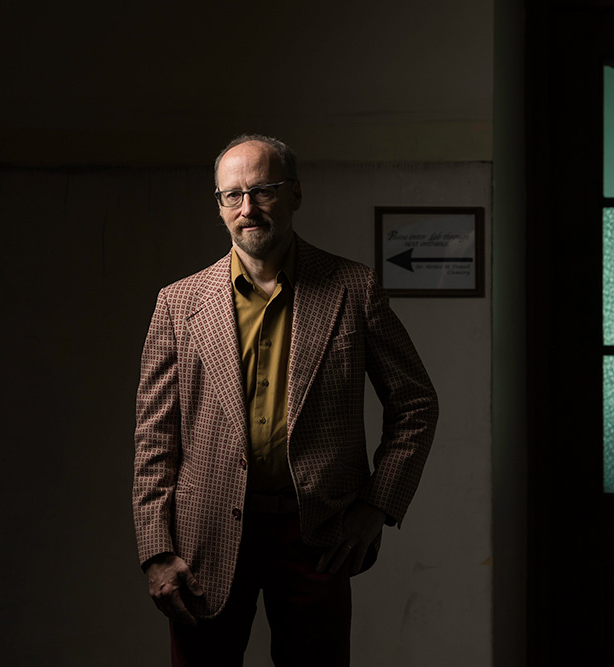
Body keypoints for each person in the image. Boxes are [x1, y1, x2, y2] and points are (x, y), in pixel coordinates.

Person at [133, 134, 439, 665]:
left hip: (316, 533)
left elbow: (416, 404)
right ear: (220, 205)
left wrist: (375, 507)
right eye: (232, 195)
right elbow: (154, 439)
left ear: (295, 194)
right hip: (203, 537)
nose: (246, 208)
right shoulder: (178, 304)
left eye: (263, 191)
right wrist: (156, 551)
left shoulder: (353, 288)